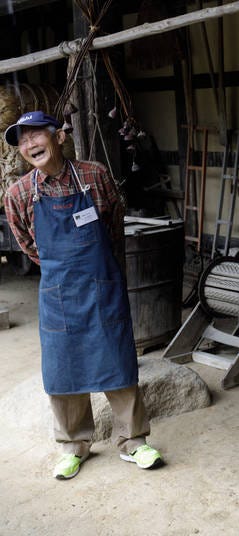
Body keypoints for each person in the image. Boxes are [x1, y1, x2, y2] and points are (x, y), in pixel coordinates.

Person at [3, 110, 164, 480]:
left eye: (35, 135)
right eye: (22, 140)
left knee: (118, 361)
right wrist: (61, 267)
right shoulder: (19, 193)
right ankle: (73, 445)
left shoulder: (94, 175)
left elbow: (114, 222)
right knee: (63, 368)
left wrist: (98, 266)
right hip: (58, 292)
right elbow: (27, 244)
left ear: (58, 136)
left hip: (101, 285)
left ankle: (133, 440)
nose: (29, 145)